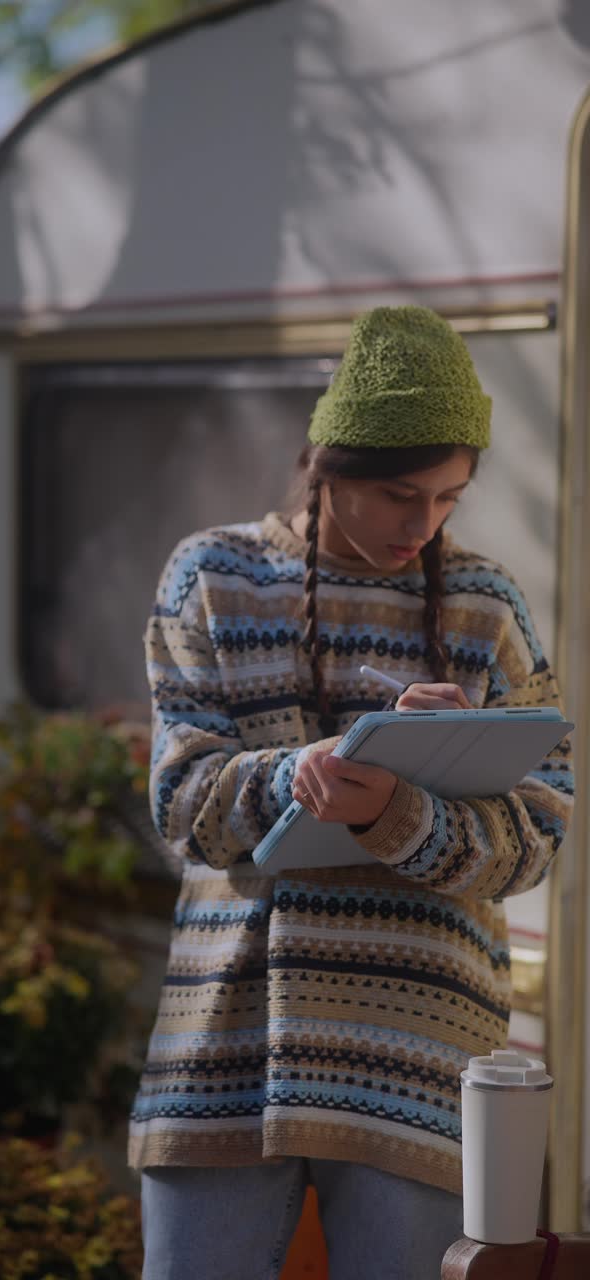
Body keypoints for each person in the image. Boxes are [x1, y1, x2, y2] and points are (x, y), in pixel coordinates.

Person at [128, 306, 574, 1280]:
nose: (424, 524)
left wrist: (397, 806)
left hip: (415, 1048)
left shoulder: (486, 606)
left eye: (450, 497)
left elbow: (538, 833)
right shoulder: (213, 575)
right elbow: (179, 799)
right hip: (228, 1042)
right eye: (399, 492)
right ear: (323, 466)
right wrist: (300, 773)